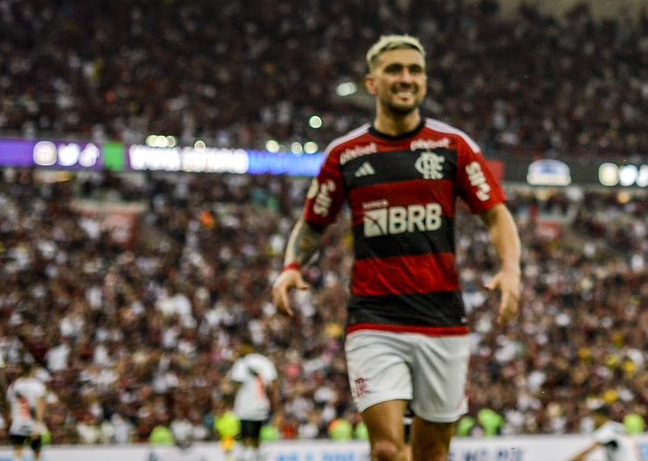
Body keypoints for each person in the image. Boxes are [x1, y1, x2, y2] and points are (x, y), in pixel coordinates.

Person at [270, 35, 523, 461]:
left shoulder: (452, 147)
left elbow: (496, 214)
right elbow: (313, 223)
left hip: (442, 320)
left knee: (431, 454)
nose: (406, 78)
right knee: (387, 450)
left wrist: (511, 269)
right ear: (372, 83)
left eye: (415, 70)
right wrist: (291, 264)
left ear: (424, 81)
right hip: (375, 319)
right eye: (394, 70)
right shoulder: (346, 154)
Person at [224, 347, 277, 459]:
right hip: (261, 404)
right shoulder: (264, 362)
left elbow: (237, 382)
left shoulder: (242, 363)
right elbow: (272, 384)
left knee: (246, 435)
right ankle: (254, 454)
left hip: (246, 406)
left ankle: (248, 456)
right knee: (255, 434)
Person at [4, 368, 48, 461]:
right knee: (37, 450)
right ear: (32, 371)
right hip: (33, 422)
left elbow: (9, 404)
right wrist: (38, 424)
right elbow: (40, 405)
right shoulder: (38, 385)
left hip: (18, 422)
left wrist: (10, 420)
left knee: (18, 449)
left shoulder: (14, 385)